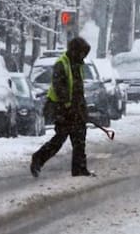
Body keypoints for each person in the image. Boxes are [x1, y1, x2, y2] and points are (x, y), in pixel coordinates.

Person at [30, 37, 93, 177]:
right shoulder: (62, 64)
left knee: (80, 139)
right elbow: (60, 88)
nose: (84, 56)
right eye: (82, 53)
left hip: (76, 109)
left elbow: (78, 89)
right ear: (75, 51)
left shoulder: (78, 65)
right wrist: (67, 105)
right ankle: (38, 158)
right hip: (62, 110)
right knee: (59, 139)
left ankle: (79, 168)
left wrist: (83, 109)